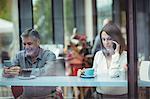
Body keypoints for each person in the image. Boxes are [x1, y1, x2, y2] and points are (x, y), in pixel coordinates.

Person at [3, 28, 63, 99]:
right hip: (26, 97)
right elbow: (6, 73)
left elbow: (46, 72)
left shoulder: (49, 55)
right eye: (24, 44)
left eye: (29, 44)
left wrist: (23, 71)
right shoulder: (19, 56)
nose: (26, 47)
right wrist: (7, 71)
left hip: (48, 96)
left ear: (38, 42)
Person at [92, 22, 127, 99]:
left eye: (109, 39)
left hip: (122, 96)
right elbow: (94, 76)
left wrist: (116, 54)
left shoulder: (126, 56)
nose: (106, 43)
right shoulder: (99, 55)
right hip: (101, 95)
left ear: (116, 39)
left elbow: (113, 74)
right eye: (103, 39)